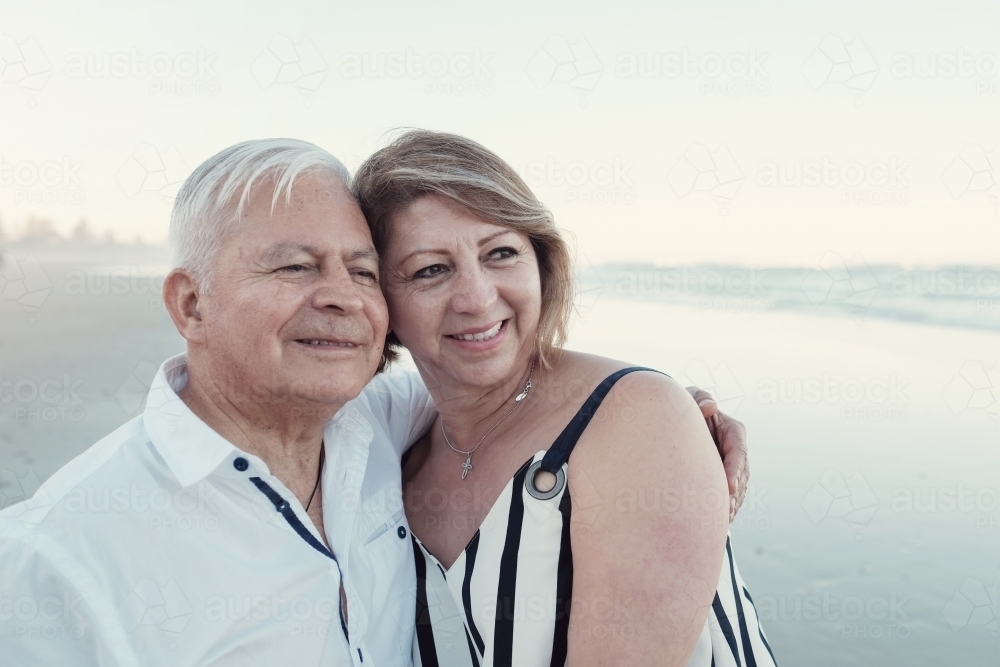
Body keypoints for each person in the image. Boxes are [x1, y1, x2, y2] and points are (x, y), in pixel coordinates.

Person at [0, 139, 750, 666]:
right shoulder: (55, 558)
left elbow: (503, 387)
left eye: (361, 272)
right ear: (192, 304)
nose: (338, 298)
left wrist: (670, 415)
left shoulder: (370, 425)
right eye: (293, 265)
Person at [352, 130, 776, 667]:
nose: (478, 298)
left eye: (500, 253)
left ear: (541, 264)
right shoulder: (390, 444)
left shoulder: (634, 418)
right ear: (377, 299)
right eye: (430, 270)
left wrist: (673, 415)